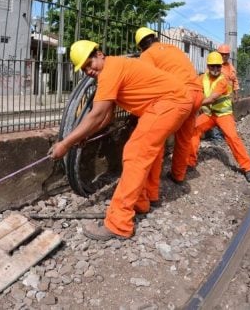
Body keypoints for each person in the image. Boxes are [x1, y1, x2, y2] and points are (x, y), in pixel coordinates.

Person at [49, 40, 191, 240]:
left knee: (135, 153)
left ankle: (119, 224)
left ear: (100, 54)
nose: (89, 70)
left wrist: (65, 143)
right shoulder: (114, 68)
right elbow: (107, 116)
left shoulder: (109, 71)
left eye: (90, 63)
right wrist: (85, 136)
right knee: (149, 152)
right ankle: (143, 200)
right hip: (172, 101)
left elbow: (97, 114)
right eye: (84, 69)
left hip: (169, 103)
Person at [135, 27, 203, 184]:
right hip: (197, 93)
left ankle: (152, 185)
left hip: (180, 95)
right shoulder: (173, 48)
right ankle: (178, 175)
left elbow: (146, 79)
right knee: (184, 138)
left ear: (141, 46)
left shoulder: (147, 54)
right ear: (155, 37)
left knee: (158, 136)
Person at [191, 52, 250, 183]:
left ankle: (247, 168)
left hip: (223, 115)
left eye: (218, 66)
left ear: (221, 67)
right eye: (212, 66)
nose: (215, 69)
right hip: (209, 114)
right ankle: (189, 162)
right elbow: (193, 89)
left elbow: (212, 98)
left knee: (232, 137)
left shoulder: (223, 80)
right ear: (208, 66)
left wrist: (194, 103)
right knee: (193, 130)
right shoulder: (202, 78)